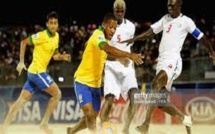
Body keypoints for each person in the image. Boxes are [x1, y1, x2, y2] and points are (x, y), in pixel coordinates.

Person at [120, 0, 215, 134]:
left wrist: (211, 52)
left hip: (173, 61)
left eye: (172, 4)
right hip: (161, 62)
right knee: (161, 103)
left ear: (179, 5)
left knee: (155, 84)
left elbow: (202, 37)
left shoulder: (186, 21)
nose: (170, 6)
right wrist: (134, 39)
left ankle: (145, 125)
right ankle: (185, 118)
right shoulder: (165, 19)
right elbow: (150, 32)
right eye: (168, 4)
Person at [66, 13, 143, 134]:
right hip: (82, 82)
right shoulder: (98, 35)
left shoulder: (105, 40)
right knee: (90, 116)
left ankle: (71, 131)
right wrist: (128, 54)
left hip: (96, 85)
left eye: (115, 28)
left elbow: (107, 54)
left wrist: (119, 58)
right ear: (103, 25)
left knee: (91, 117)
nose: (113, 30)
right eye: (110, 27)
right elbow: (107, 49)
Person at [0, 11, 71, 134]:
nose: (53, 25)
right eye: (51, 23)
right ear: (47, 24)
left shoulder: (57, 36)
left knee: (20, 102)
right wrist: (21, 62)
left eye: (55, 23)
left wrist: (61, 57)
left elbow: (54, 55)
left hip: (35, 73)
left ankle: (3, 127)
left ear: (58, 24)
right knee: (57, 94)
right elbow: (24, 42)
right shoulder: (42, 36)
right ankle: (44, 124)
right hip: (37, 72)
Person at [99, 0, 139, 134]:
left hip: (127, 67)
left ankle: (126, 129)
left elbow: (130, 46)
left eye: (122, 11)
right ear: (113, 10)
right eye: (117, 11)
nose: (119, 13)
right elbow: (105, 52)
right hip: (111, 66)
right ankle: (103, 128)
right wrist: (120, 58)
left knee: (134, 96)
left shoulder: (131, 27)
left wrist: (131, 58)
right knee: (109, 100)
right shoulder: (107, 27)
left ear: (125, 11)